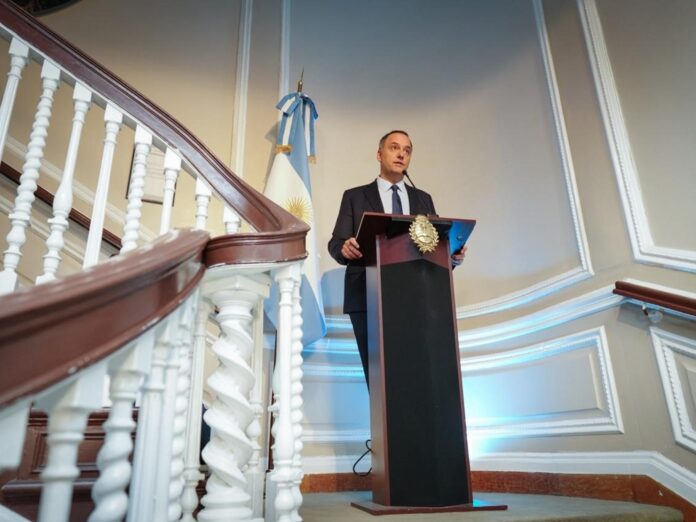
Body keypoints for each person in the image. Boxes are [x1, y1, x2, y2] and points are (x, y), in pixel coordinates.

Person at [327, 130, 465, 388]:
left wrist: (452, 256)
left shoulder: (423, 199)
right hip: (367, 296)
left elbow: (434, 247)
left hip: (417, 299)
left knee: (416, 379)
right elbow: (335, 243)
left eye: (407, 150)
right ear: (379, 154)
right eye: (394, 147)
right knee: (380, 381)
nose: (401, 154)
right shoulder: (354, 196)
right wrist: (344, 248)